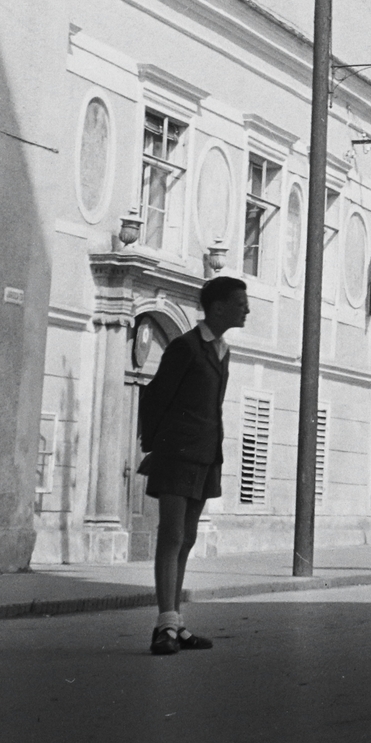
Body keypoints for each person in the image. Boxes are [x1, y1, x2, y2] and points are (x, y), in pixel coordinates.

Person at [136, 275, 246, 655]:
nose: (246, 309)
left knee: (187, 538)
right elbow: (155, 396)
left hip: (205, 455)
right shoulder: (185, 347)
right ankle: (163, 625)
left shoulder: (222, 351)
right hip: (178, 455)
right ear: (217, 307)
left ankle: (175, 622)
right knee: (171, 536)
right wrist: (156, 446)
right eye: (239, 303)